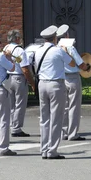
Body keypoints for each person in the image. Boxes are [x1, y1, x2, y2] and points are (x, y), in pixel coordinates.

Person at [34, 25, 76, 159]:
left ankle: (44, 148)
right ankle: (52, 150)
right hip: (55, 84)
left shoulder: (38, 50)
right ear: (55, 38)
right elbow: (72, 64)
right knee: (56, 118)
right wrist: (66, 51)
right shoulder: (58, 51)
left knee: (44, 118)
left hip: (42, 84)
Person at [57, 24, 90, 141]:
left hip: (61, 78)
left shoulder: (57, 47)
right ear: (67, 35)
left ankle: (64, 132)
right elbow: (80, 63)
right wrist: (87, 67)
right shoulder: (70, 47)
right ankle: (73, 134)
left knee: (64, 106)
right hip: (72, 77)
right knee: (74, 106)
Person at [4, 29, 35, 138]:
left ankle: (12, 125)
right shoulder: (20, 51)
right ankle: (16, 128)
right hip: (18, 77)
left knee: (11, 104)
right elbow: (25, 69)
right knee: (20, 104)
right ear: (17, 38)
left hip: (8, 77)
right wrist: (32, 82)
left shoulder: (5, 48)